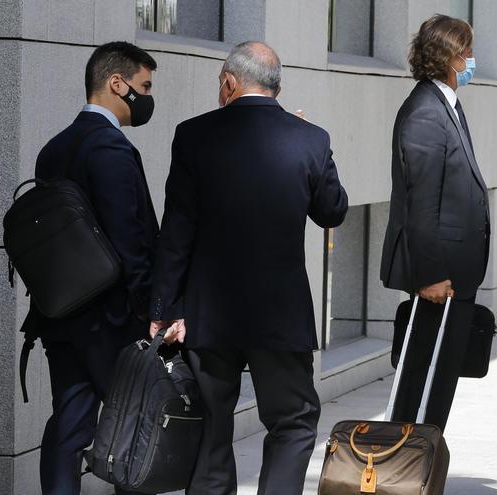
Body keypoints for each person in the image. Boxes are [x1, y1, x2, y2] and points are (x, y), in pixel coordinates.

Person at [149, 41, 348, 494]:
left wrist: (163, 305)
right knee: (293, 422)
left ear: (229, 83)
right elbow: (332, 211)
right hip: (280, 315)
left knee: (210, 428)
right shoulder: (310, 138)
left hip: (208, 313)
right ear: (277, 87)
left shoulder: (194, 134)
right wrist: (318, 151)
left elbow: (177, 228)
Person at [20, 41, 159, 495]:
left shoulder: (53, 149)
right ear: (116, 83)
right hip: (111, 319)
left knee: (70, 420)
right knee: (133, 425)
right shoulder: (111, 148)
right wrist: (146, 308)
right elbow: (130, 239)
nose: (147, 96)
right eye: (144, 86)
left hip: (60, 314)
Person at [380, 14, 490, 431]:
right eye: (469, 52)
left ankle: (420, 468)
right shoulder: (426, 111)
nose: (473, 59)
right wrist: (430, 275)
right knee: (421, 390)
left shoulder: (447, 104)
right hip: (437, 282)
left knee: (438, 386)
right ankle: (403, 470)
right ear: (452, 57)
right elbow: (420, 204)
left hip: (453, 278)